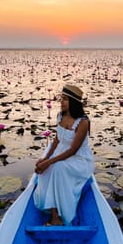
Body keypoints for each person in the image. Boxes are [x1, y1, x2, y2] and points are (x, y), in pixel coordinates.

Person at [33, 84, 94, 226]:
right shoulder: (60, 116)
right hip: (61, 152)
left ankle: (57, 217)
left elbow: (73, 150)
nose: (61, 102)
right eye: (62, 98)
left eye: (65, 99)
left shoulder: (83, 122)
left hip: (79, 159)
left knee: (57, 168)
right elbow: (57, 139)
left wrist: (50, 162)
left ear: (73, 102)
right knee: (46, 169)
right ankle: (51, 206)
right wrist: (45, 158)